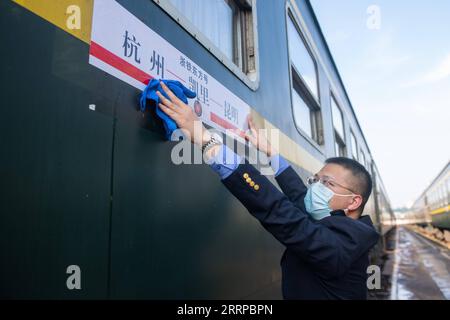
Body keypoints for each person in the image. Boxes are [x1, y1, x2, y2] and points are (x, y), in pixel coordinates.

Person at [155, 81, 380, 300]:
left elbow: (282, 214)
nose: (315, 188)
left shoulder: (339, 248)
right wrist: (270, 152)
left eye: (327, 183)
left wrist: (207, 141)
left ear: (353, 202)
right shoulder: (342, 229)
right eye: (316, 180)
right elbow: (299, 195)